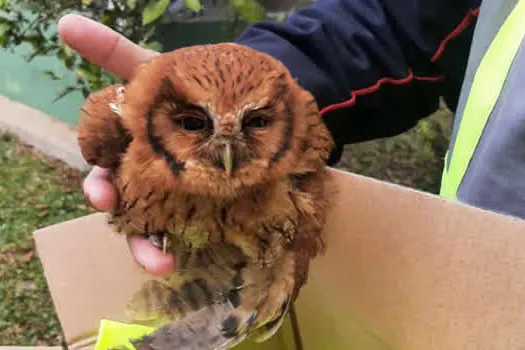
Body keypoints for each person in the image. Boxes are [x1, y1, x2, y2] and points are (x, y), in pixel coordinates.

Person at [59, 0, 524, 276]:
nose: (224, 155)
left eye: (257, 124)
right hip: (470, 263)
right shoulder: (131, 129)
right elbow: (401, 24)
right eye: (190, 123)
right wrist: (246, 72)